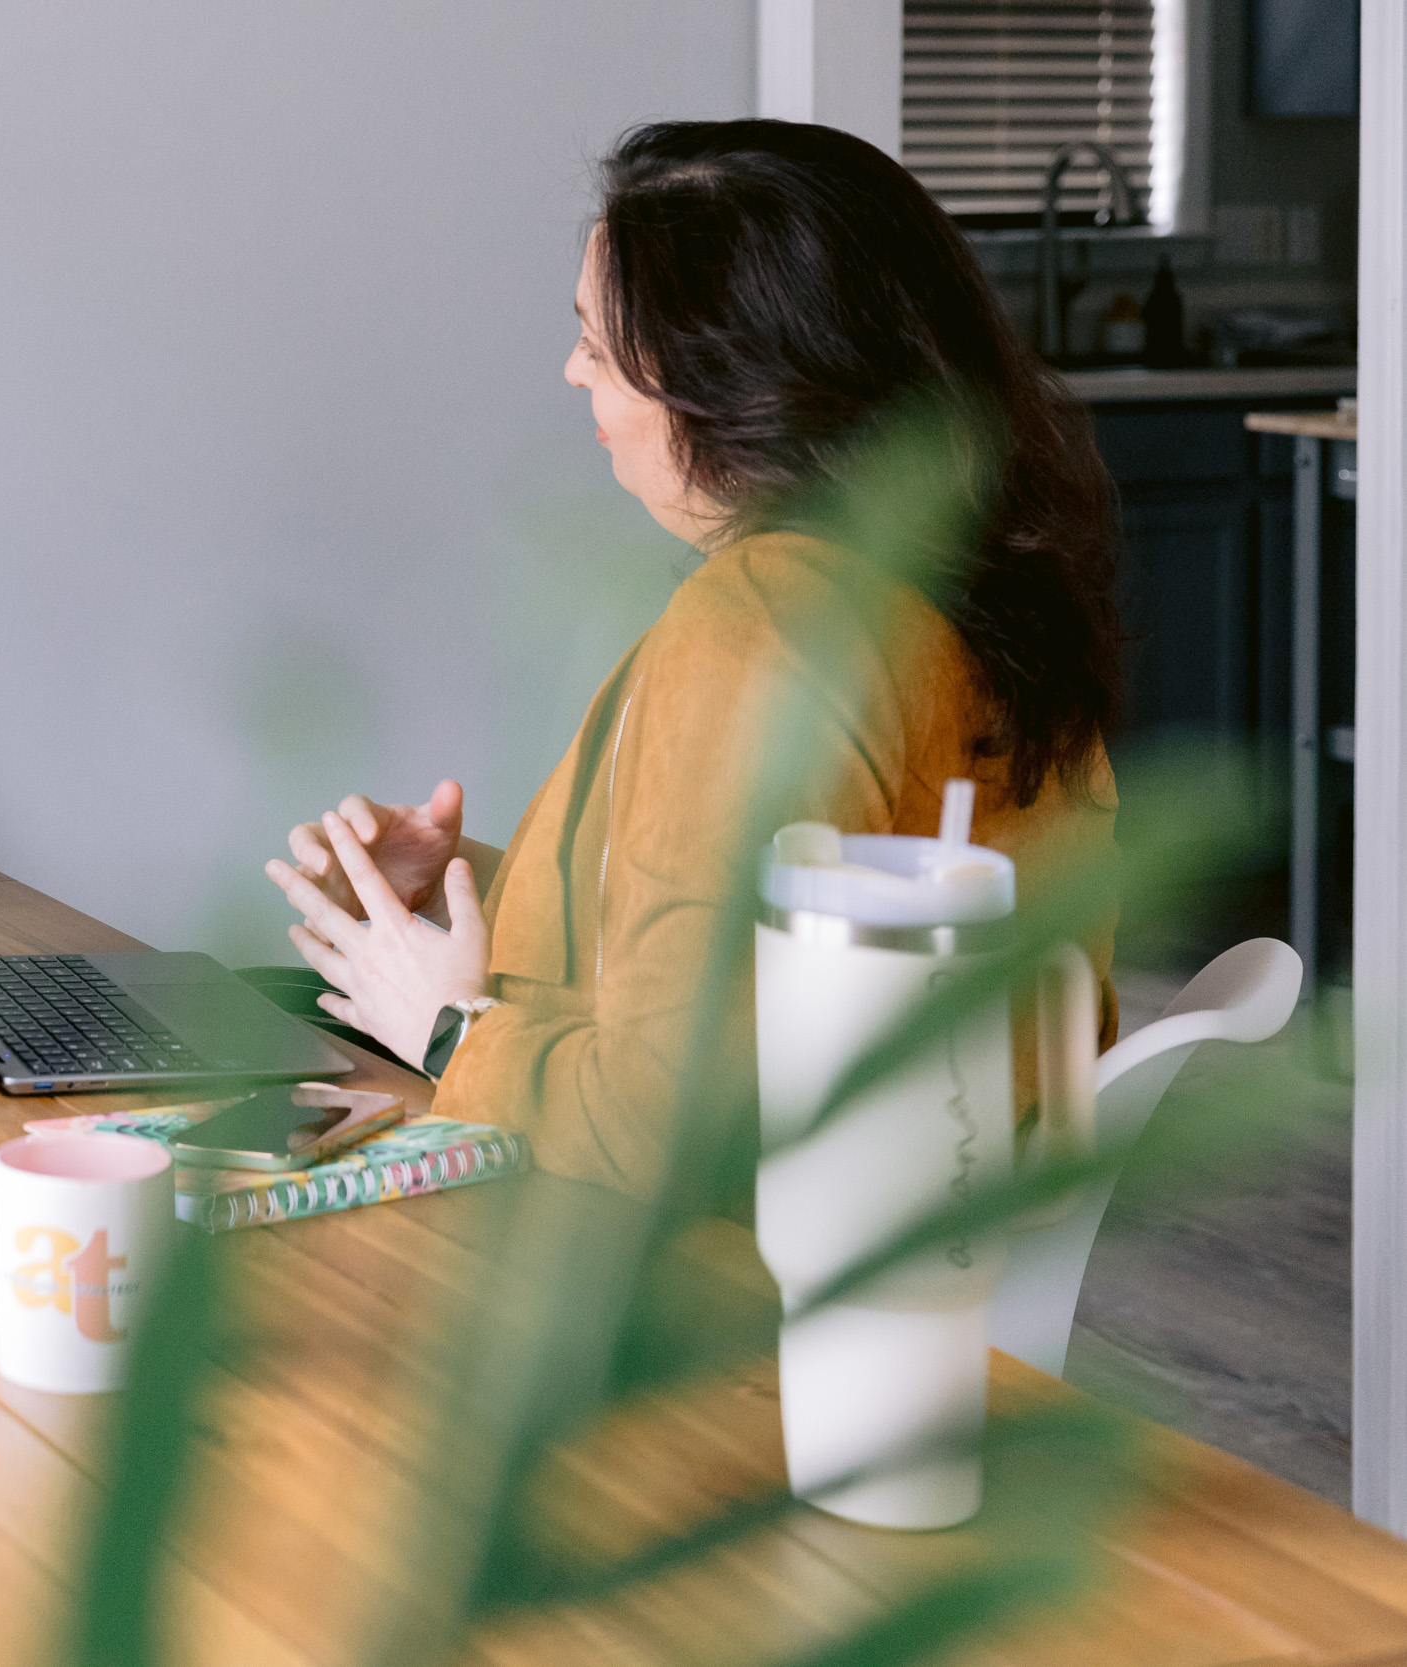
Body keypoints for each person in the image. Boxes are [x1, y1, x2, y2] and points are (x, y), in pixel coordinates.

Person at [263, 120, 1124, 1199]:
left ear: (727, 377)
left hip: (705, 1289)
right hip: (927, 1231)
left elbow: (661, 1123)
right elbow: (802, 911)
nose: (571, 369)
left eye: (599, 341)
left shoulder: (767, 621)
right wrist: (463, 885)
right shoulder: (970, 588)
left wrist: (445, 1027)